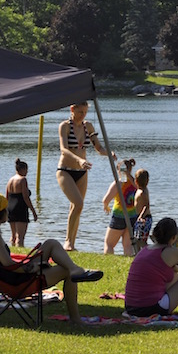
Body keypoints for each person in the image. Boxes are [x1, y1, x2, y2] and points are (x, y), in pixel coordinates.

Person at [0, 191, 102, 326]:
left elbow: (7, 265)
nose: (8, 211)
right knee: (65, 271)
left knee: (50, 243)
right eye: (5, 209)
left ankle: (75, 269)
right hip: (16, 283)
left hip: (13, 276)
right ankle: (75, 317)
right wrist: (33, 267)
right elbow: (8, 264)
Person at [56, 102, 111, 251]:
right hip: (65, 170)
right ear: (72, 109)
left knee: (77, 207)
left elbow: (98, 148)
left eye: (85, 112)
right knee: (78, 203)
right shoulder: (65, 126)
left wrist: (109, 154)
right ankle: (67, 241)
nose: (83, 115)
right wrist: (79, 160)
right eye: (80, 112)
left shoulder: (89, 126)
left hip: (82, 172)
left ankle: (72, 244)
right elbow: (64, 149)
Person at [102, 158, 138, 255]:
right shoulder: (136, 183)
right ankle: (129, 264)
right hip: (132, 217)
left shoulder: (118, 184)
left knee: (109, 243)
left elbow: (105, 200)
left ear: (119, 170)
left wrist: (106, 206)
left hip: (119, 216)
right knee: (127, 245)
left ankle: (108, 263)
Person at [6, 158, 38, 247]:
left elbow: (7, 196)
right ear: (23, 169)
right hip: (20, 207)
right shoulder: (23, 180)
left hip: (10, 207)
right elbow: (25, 197)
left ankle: (11, 252)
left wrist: (6, 210)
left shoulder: (10, 180)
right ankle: (20, 253)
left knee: (13, 236)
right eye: (26, 170)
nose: (27, 172)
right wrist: (33, 212)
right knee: (20, 237)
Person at [132, 168, 152, 252]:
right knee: (137, 238)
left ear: (136, 181)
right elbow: (131, 180)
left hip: (145, 219)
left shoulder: (142, 192)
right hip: (140, 218)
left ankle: (148, 252)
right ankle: (138, 254)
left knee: (141, 240)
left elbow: (146, 206)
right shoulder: (140, 189)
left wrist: (141, 216)